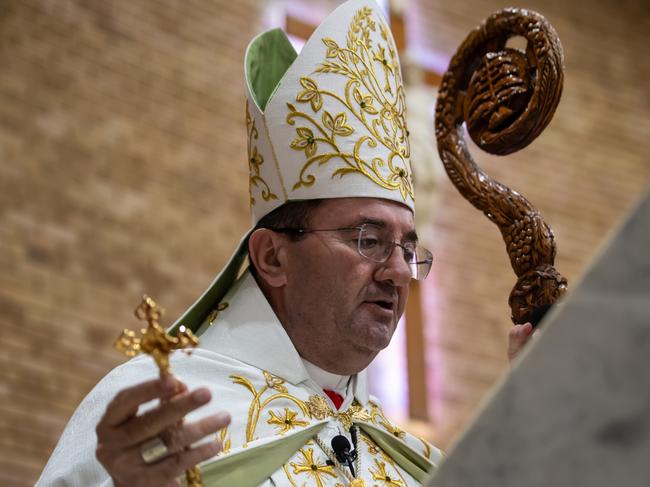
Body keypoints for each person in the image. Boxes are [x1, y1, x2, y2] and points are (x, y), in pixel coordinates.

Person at [36, 1, 533, 485]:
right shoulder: (156, 415)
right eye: (368, 239)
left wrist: (534, 419)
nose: (398, 272)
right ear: (272, 257)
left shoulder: (406, 462)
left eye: (407, 248)